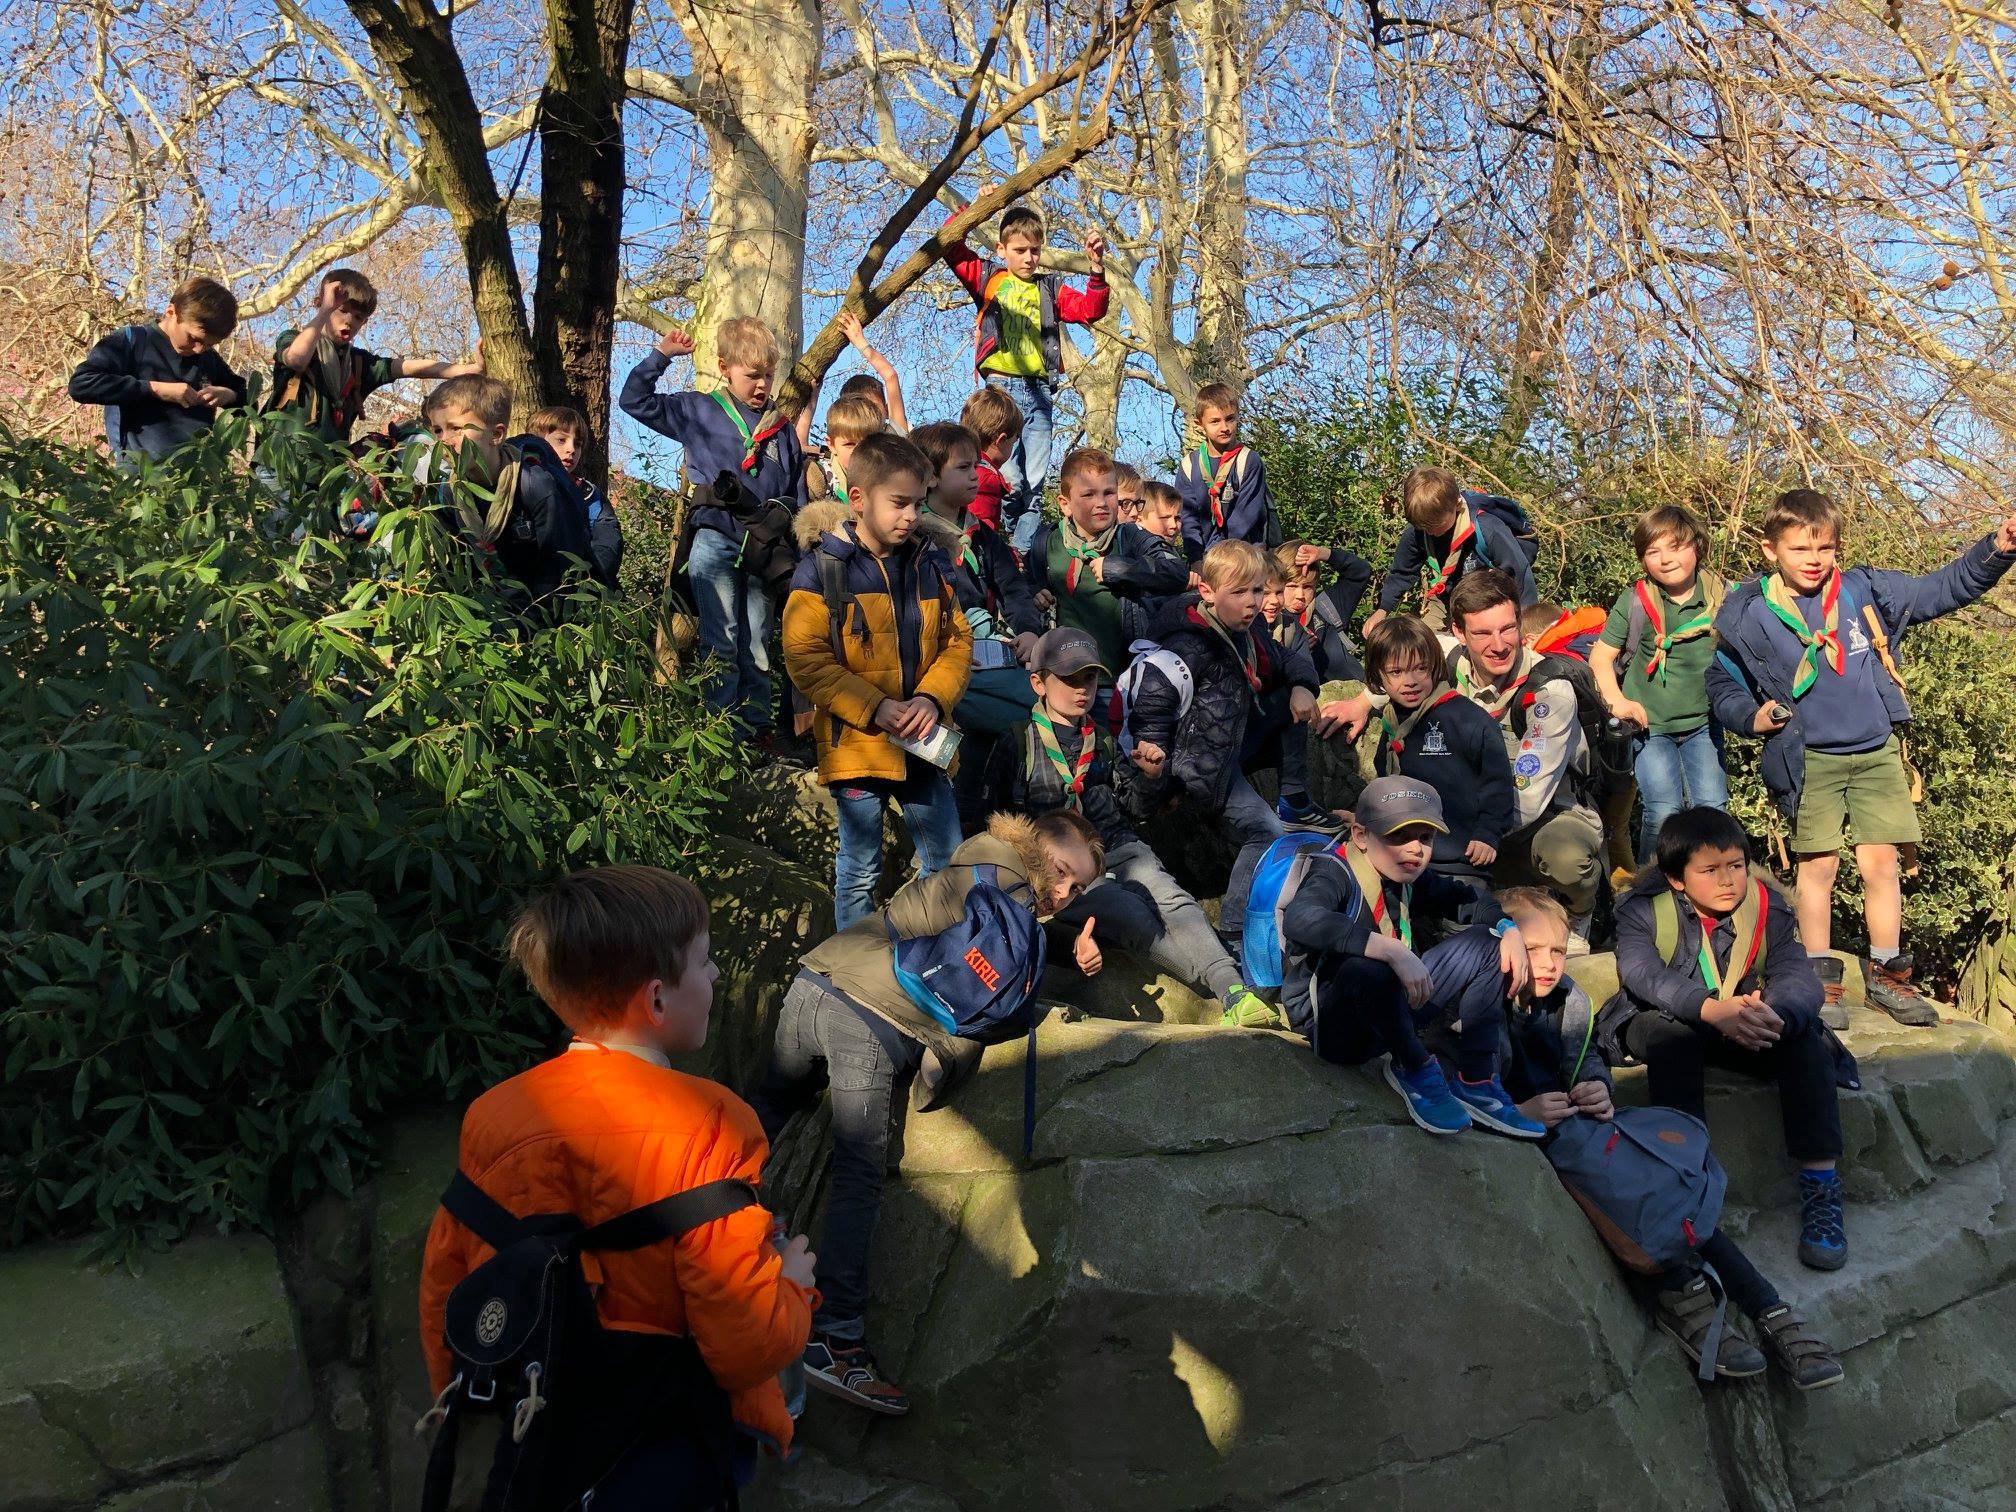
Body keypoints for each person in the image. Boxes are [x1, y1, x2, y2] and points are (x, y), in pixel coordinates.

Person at [418, 866, 818, 1503]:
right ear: (656, 1000)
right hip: (666, 1445)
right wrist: (792, 1285)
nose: (716, 975)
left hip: (538, 1440)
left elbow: (447, 1286)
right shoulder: (715, 1124)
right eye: (704, 961)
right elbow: (744, 1345)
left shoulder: (492, 1118)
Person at [749, 809, 1103, 1417]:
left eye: (1080, 887)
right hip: (869, 1016)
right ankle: (835, 1338)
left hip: (815, 983)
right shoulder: (1010, 896)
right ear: (1038, 849)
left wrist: (1067, 947)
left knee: (760, 1124)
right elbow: (991, 1002)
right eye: (1064, 871)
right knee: (858, 1171)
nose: (1067, 891)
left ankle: (698, 1249)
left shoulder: (980, 864)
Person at [1492, 886, 1844, 1391]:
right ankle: (1685, 1299)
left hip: (1582, 1130)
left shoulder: (1569, 999)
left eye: (1557, 950)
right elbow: (1462, 1082)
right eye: (1531, 949)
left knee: (1668, 1191)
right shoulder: (1482, 1004)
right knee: (1630, 1201)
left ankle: (1770, 1309)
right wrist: (1517, 1112)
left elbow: (1585, 1059)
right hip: (1539, 1142)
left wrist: (1597, 1086)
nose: (1547, 963)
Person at [1708, 488, 2016, 1025]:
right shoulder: (1750, 614)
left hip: (1875, 752)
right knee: (1818, 869)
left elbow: (1943, 588)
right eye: (1800, 549)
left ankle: (1887, 977)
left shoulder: (1861, 590)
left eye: (1825, 548)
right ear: (1770, 549)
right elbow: (1722, 682)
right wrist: (1752, 718)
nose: (1814, 559)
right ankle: (1819, 986)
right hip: (1810, 759)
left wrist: (1998, 548)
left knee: (1882, 865)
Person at [983, 627, 1278, 1027]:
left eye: (1089, 677)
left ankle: (1233, 990)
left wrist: (1151, 777)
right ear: (1039, 683)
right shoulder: (1017, 741)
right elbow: (994, 820)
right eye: (1069, 678)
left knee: (1174, 900)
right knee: (1132, 914)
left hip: (1118, 847)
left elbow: (1133, 808)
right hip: (1062, 873)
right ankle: (1226, 986)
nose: (1081, 688)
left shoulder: (1103, 740)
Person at [1599, 807, 1849, 1271]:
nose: (1727, 880)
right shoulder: (1641, 907)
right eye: (1709, 870)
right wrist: (1711, 1010)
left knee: (1807, 1041)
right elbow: (1642, 974)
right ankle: (1686, 1182)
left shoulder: (1768, 906)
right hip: (1664, 1018)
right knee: (1673, 1039)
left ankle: (1821, 1190)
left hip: (1742, 1019)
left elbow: (1796, 973)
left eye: (1735, 865)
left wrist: (1776, 1015)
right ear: (1677, 878)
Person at [781, 432, 972, 931]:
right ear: (858, 499)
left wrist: (932, 699)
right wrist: (876, 707)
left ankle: (933, 953)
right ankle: (852, 965)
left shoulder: (931, 565)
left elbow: (958, 643)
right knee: (859, 870)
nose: (910, 516)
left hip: (923, 740)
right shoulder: (822, 571)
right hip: (856, 744)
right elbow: (806, 658)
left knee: (947, 861)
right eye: (898, 503)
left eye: (918, 503)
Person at [1275, 776, 1539, 1136]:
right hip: (1335, 1028)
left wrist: (1509, 930)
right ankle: (1414, 1067)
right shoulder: (1333, 871)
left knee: (1488, 944)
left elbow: (1470, 899)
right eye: (1399, 836)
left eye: (1425, 838)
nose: (1415, 849)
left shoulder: (1406, 876)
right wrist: (1390, 949)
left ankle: (1477, 1083)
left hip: (1392, 1008)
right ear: (1361, 836)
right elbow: (1302, 918)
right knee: (1369, 967)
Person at [1126, 541, 1320, 950]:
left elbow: (1286, 659)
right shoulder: (1188, 643)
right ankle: (1233, 927)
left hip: (1229, 748)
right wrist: (1161, 784)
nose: (1253, 602)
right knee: (1265, 831)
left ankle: (1294, 799)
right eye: (1240, 592)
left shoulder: (1248, 632)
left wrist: (1303, 686)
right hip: (1198, 770)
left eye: (1258, 590)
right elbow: (1153, 711)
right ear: (1208, 592)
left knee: (1289, 701)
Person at [621, 320, 808, 737]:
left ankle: (756, 732)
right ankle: (721, 733)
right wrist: (661, 356)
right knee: (721, 639)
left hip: (763, 548)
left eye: (768, 375)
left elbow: (797, 496)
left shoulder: (782, 430)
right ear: (725, 368)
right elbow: (634, 400)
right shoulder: (698, 410)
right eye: (752, 374)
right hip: (715, 537)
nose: (762, 384)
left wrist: (798, 554)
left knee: (757, 645)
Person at [943, 205, 1109, 551]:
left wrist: (1096, 269)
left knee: (1034, 485)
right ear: (1001, 250)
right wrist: (973, 207)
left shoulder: (1050, 288)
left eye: (1035, 250)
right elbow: (950, 245)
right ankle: (996, 539)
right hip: (1001, 389)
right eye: (1020, 250)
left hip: (1039, 392)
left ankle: (1020, 555)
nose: (1029, 258)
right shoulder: (990, 278)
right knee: (1011, 479)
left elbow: (1091, 310)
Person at [910, 421, 1044, 827]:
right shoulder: (914, 535)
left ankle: (989, 817)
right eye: (964, 468)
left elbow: (1013, 589)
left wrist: (1029, 630)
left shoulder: (982, 535)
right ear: (931, 476)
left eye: (976, 466)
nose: (977, 476)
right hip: (942, 662)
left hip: (988, 656)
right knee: (1032, 708)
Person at [1590, 505, 1730, 866]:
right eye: (1653, 551)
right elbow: (1601, 657)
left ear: (1697, 546)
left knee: (1713, 808)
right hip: (1649, 727)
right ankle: (1653, 886)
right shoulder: (1637, 600)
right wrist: (1617, 701)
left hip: (1703, 723)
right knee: (1663, 812)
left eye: (1676, 547)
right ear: (1642, 559)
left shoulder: (1721, 597)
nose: (1666, 559)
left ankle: (1712, 880)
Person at [418, 375, 593, 618]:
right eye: (438, 430)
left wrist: (527, 625)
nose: (444, 441)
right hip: (486, 615)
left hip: (544, 617)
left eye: (456, 428)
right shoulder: (448, 494)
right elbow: (455, 569)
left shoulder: (535, 486)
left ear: (496, 434)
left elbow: (561, 569)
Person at [1364, 614, 1514, 887]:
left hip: (1459, 863)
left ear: (1435, 666)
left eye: (1420, 669)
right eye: (1396, 672)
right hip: (1399, 863)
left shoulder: (1468, 720)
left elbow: (1498, 783)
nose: (1410, 681)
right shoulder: (1391, 721)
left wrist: (1488, 833)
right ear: (1378, 676)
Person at [1025, 447, 1189, 684]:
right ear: (1065, 504)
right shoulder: (1047, 540)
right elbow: (1023, 587)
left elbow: (1177, 573)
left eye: (1109, 493)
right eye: (1089, 494)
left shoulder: (1129, 537)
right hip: (1062, 682)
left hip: (1119, 681)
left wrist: (1121, 569)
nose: (1101, 503)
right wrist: (1035, 594)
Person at [270, 268, 483, 446]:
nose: (349, 321)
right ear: (319, 303)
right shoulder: (292, 339)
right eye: (341, 310)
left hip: (327, 472)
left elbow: (412, 368)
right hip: (278, 466)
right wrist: (326, 309)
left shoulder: (360, 363)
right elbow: (297, 359)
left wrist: (469, 370)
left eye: (358, 317)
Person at [68, 275, 244, 463]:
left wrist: (230, 395)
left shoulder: (209, 358)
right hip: (141, 474)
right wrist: (155, 389)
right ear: (171, 312)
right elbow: (81, 384)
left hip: (197, 474)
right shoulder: (132, 341)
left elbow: (248, 402)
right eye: (194, 339)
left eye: (210, 344)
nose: (199, 349)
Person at [1365, 466, 1538, 633]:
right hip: (1449, 595)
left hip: (1491, 596)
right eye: (1425, 527)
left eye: (1437, 525)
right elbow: (1402, 572)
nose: (1430, 532)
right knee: (1426, 644)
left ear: (1457, 504)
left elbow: (1520, 573)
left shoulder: (1487, 527)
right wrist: (1382, 610)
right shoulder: (1420, 529)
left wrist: (1526, 624)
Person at [1177, 382, 1279, 560]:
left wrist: (1217, 554)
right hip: (1205, 559)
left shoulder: (1248, 460)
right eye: (1215, 421)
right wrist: (1196, 559)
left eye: (1230, 419)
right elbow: (1188, 518)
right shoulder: (1189, 466)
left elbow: (1244, 518)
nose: (1224, 427)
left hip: (1246, 556)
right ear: (1199, 424)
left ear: (1238, 416)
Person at [527, 404, 623, 590]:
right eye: (561, 440)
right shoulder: (518, 483)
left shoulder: (590, 495)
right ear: (537, 442)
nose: (571, 449)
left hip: (580, 590)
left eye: (577, 444)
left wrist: (585, 583)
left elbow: (607, 545)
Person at [1277, 539, 1373, 683]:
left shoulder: (1327, 605)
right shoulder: (1268, 618)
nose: (1300, 595)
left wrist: (1323, 554)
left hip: (1353, 691)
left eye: (1308, 587)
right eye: (1291, 586)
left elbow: (1361, 571)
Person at [959, 383, 1022, 534]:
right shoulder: (987, 480)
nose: (1013, 446)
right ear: (1001, 440)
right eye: (1013, 441)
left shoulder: (956, 467)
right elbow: (981, 531)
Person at [809, 395, 886, 505]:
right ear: (831, 445)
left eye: (867, 443)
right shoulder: (822, 478)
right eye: (850, 444)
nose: (859, 451)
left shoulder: (887, 478)